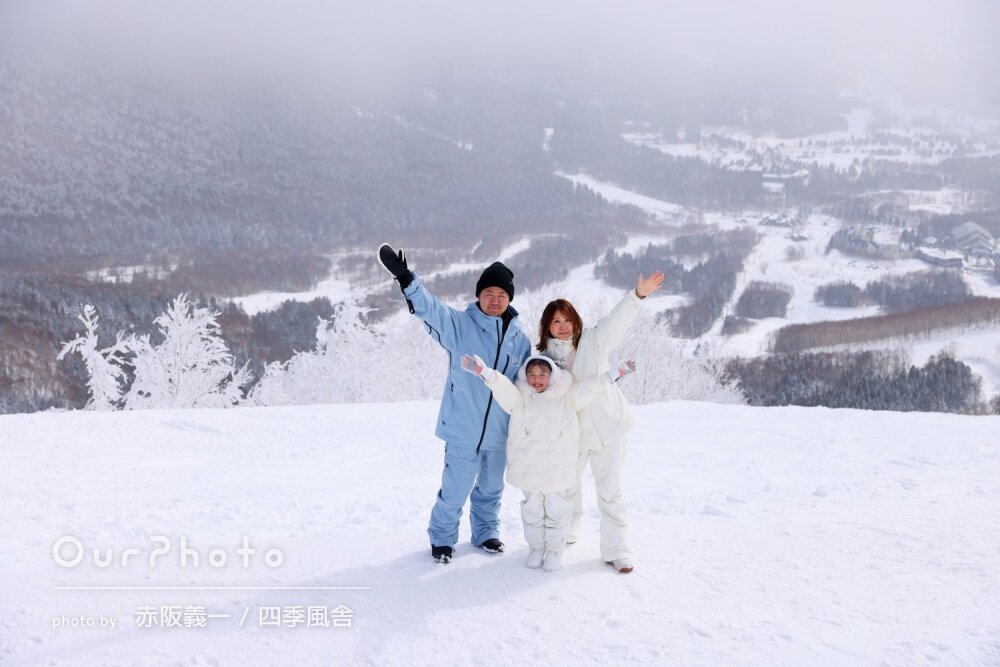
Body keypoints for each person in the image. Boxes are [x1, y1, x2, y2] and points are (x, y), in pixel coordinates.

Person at [377, 244, 532, 563]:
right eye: (488, 293)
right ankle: (443, 538)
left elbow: (530, 384)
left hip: (501, 433)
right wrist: (408, 280)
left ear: (510, 299)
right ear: (479, 296)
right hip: (463, 429)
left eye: (501, 295)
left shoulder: (521, 340)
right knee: (455, 490)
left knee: (491, 490)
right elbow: (429, 308)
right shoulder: (460, 325)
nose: (495, 299)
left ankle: (486, 532)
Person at [461, 352, 636, 572]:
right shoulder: (520, 399)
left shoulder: (567, 398)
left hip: (557, 468)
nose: (536, 379)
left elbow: (591, 387)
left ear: (551, 376)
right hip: (529, 468)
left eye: (542, 374)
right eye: (531, 374)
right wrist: (483, 372)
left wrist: (615, 373)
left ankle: (554, 550)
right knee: (532, 510)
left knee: (557, 511)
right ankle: (536, 547)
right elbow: (501, 387)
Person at [537, 271, 664, 574]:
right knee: (566, 488)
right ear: (547, 327)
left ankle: (617, 549)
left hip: (607, 427)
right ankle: (565, 533)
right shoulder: (542, 360)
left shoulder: (593, 341)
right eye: (556, 321)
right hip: (573, 435)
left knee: (610, 491)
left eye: (567, 320)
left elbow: (616, 321)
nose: (563, 326)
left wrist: (637, 295)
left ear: (576, 322)